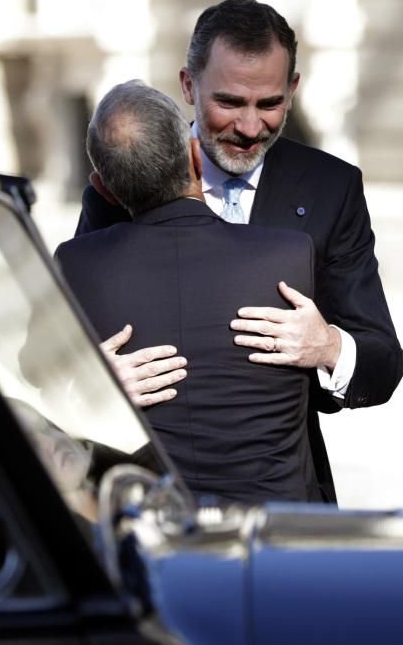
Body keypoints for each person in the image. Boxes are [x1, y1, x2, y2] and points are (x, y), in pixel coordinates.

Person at [77, 0, 403, 504]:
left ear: (293, 90)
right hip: (142, 499)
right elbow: (54, 349)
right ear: (188, 85)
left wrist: (328, 347)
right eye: (229, 102)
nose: (250, 128)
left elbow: (383, 361)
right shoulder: (120, 182)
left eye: (269, 104)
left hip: (281, 503)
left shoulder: (331, 187)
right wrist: (91, 381)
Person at [56, 79, 320, 504]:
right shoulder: (287, 255)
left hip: (147, 530)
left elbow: (25, 391)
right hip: (275, 536)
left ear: (101, 188)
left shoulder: (76, 266)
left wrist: (88, 387)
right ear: (196, 155)